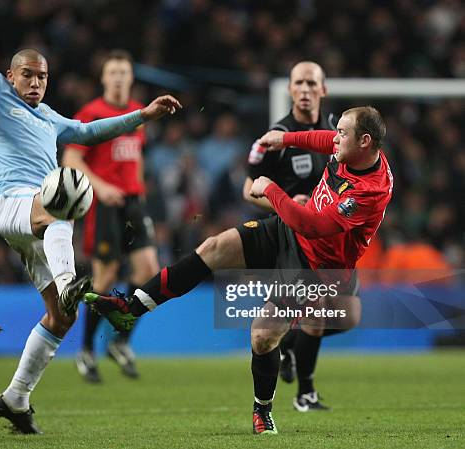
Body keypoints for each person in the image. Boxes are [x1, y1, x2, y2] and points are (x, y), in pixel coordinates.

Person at [0, 17, 181, 434]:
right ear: (11, 75)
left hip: (37, 221)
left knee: (61, 318)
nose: (36, 82)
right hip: (12, 204)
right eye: (28, 75)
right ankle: (68, 280)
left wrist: (143, 115)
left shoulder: (48, 117)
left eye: (42, 76)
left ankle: (15, 398)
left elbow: (89, 132)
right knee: (65, 194)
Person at [86, 106, 393, 434]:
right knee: (212, 248)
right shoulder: (348, 148)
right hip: (288, 233)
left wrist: (271, 189)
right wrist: (285, 138)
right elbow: (323, 139)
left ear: (365, 141)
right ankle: (130, 308)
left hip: (315, 268)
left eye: (343, 134)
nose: (336, 138)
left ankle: (262, 411)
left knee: (261, 336)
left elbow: (313, 225)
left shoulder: (371, 191)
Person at [243, 61, 360, 412]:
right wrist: (282, 203)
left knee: (348, 316)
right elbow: (249, 188)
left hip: (332, 239)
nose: (306, 89)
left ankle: (290, 347)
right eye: (299, 83)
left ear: (323, 89)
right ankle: (304, 392)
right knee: (317, 312)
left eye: (312, 83)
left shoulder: (339, 131)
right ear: (290, 89)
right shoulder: (275, 136)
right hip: (295, 238)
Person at [62, 50, 159, 382]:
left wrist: (140, 189)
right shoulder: (91, 113)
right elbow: (71, 159)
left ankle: (120, 342)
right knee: (105, 280)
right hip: (104, 204)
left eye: (123, 72)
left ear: (131, 78)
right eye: (112, 72)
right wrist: (100, 188)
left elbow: (137, 158)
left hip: (133, 202)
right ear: (103, 78)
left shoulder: (138, 113)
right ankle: (87, 349)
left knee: (148, 272)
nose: (118, 77)